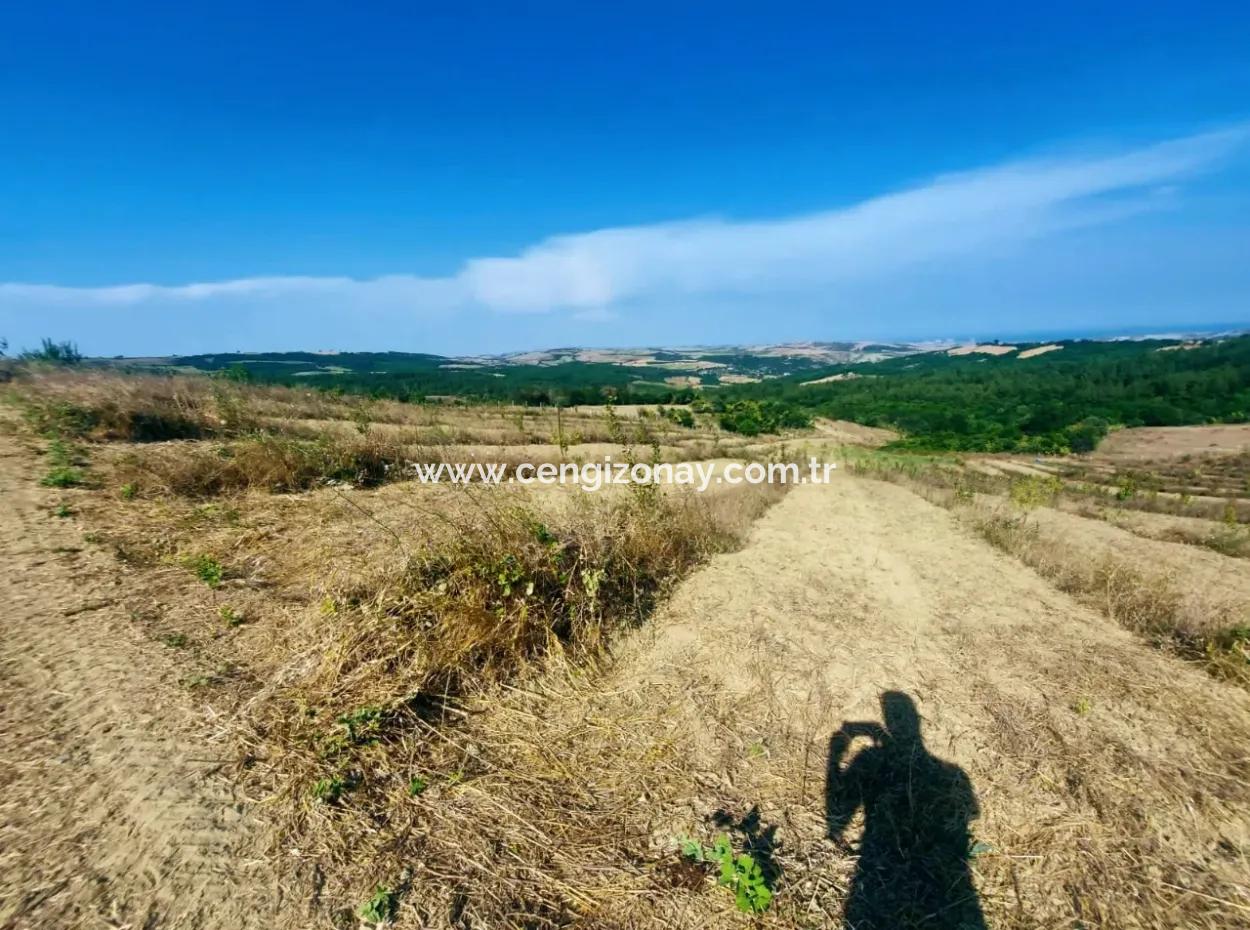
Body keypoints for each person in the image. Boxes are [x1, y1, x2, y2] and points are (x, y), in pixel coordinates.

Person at [825, 692, 986, 930]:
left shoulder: (870, 758)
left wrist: (835, 755)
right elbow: (972, 814)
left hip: (875, 880)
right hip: (948, 891)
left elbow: (838, 810)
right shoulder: (953, 775)